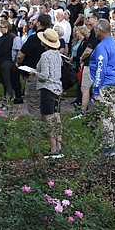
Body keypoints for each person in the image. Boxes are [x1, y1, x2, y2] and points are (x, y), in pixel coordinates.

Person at [90, 19, 115, 156]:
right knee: (111, 112)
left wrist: (96, 89)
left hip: (106, 83)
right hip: (114, 81)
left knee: (104, 115)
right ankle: (113, 141)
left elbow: (100, 67)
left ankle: (108, 146)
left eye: (95, 29)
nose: (94, 31)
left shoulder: (102, 46)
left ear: (100, 30)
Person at [36, 28, 64, 157]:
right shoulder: (58, 54)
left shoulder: (45, 55)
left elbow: (45, 75)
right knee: (57, 117)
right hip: (58, 88)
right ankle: (59, 146)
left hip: (47, 89)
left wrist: (35, 73)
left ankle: (53, 148)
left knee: (48, 119)